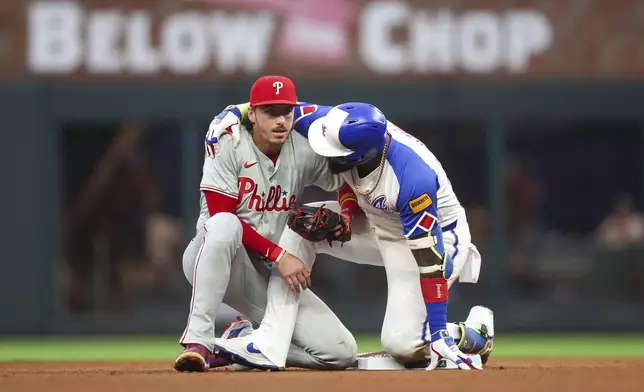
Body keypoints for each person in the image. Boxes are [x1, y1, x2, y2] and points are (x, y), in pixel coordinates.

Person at [213, 102, 494, 371]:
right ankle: (269, 341)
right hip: (377, 223)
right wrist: (232, 113)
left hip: (435, 240)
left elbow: (430, 264)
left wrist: (439, 332)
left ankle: (473, 333)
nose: (324, 149)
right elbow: (278, 104)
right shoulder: (334, 124)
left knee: (403, 344)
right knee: (302, 224)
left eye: (334, 149)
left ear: (361, 156)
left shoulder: (412, 179)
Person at [174, 76, 358, 372]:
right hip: (216, 257)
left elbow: (348, 183)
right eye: (270, 112)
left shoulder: (303, 149)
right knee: (224, 224)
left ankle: (236, 345)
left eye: (286, 111)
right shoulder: (228, 142)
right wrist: (281, 255)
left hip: (263, 271)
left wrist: (347, 213)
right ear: (253, 114)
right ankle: (199, 340)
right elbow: (222, 214)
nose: (280, 120)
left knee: (340, 352)